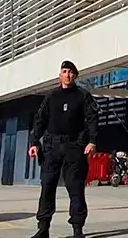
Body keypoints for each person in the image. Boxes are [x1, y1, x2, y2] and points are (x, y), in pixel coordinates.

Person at [28, 60, 98, 238]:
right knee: (47, 187)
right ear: (60, 75)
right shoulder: (51, 96)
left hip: (75, 146)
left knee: (75, 188)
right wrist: (34, 142)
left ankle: (77, 230)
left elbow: (92, 119)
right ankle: (43, 228)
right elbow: (40, 119)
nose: (68, 75)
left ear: (76, 75)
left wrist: (92, 141)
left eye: (71, 72)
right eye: (65, 71)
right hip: (51, 146)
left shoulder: (83, 95)